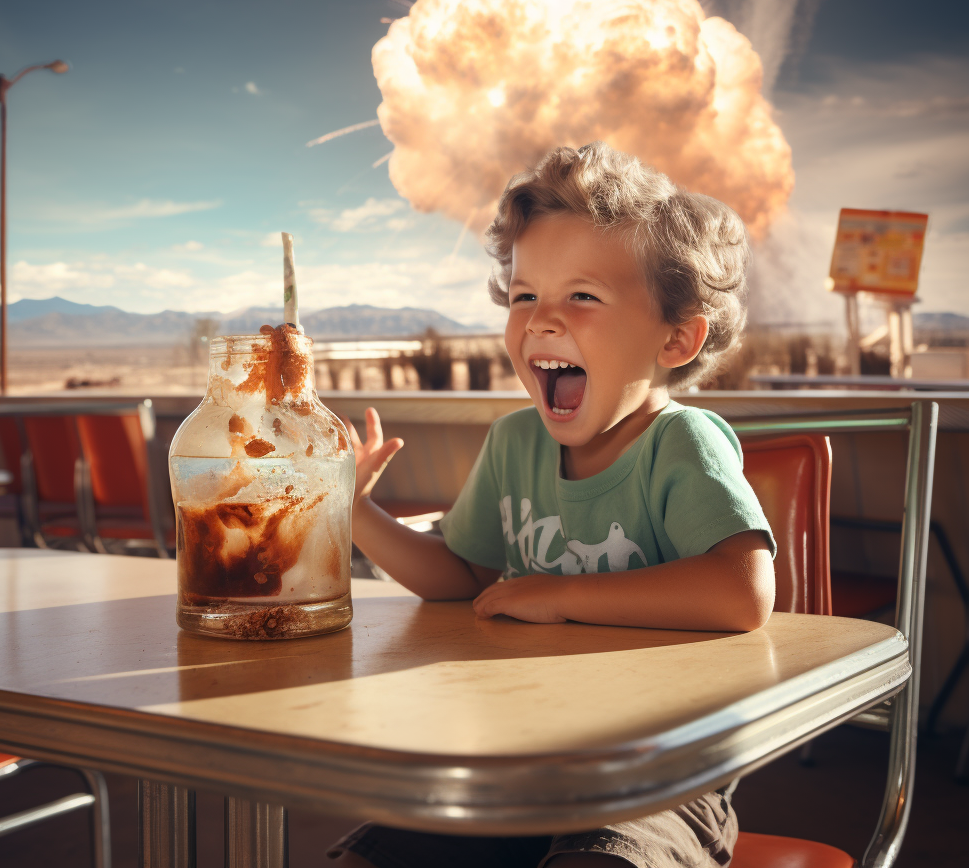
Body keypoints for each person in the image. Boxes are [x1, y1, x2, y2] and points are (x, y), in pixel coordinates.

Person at [329, 142, 776, 868]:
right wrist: (351, 511)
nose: (540, 320)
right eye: (524, 296)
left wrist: (562, 594)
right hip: (517, 757)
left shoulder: (683, 444)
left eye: (583, 297)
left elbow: (743, 591)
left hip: (659, 770)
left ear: (677, 336)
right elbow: (464, 574)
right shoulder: (514, 444)